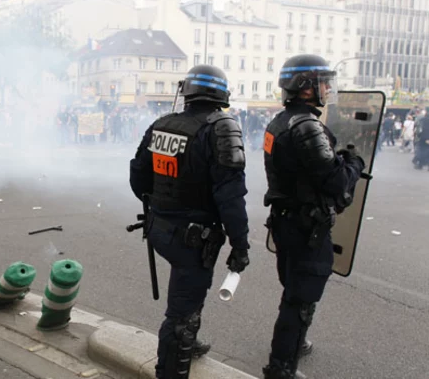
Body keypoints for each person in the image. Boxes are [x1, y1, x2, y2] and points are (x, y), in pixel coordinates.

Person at [129, 65, 250, 379]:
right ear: (221, 93)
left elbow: (137, 176)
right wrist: (240, 244)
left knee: (186, 301)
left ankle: (189, 343)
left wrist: (162, 205)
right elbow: (231, 196)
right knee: (182, 317)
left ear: (189, 91)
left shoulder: (162, 123)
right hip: (192, 239)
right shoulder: (222, 127)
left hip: (160, 228)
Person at [262, 54, 365, 378]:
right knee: (300, 299)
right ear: (305, 87)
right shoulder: (306, 126)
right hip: (305, 227)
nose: (327, 88)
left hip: (285, 220)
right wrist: (354, 164)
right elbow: (335, 182)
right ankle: (280, 368)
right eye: (323, 82)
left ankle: (296, 341)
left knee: (294, 288)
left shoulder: (279, 121)